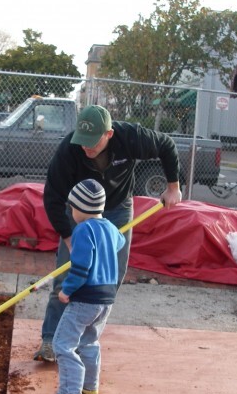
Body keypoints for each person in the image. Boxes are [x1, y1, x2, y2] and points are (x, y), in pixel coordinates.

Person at [33, 104, 182, 362]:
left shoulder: (130, 137)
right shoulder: (69, 149)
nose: (86, 147)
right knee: (66, 272)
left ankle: (86, 340)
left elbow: (166, 145)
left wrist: (173, 187)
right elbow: (52, 197)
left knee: (110, 275)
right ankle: (50, 340)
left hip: (117, 207)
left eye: (92, 142)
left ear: (109, 134)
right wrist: (69, 238)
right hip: (78, 210)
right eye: (82, 141)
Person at [38, 179, 126, 394]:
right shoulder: (110, 228)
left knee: (63, 344)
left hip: (85, 298)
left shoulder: (83, 230)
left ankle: (69, 392)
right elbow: (120, 241)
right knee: (90, 341)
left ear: (80, 208)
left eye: (72, 208)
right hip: (107, 298)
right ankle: (90, 385)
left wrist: (66, 291)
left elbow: (81, 266)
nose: (71, 213)